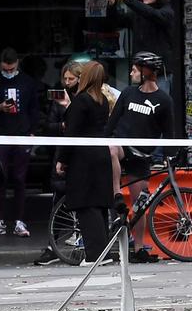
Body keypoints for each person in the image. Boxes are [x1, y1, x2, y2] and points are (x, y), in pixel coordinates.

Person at [105, 52, 174, 263]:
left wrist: (170, 156)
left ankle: (138, 247)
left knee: (140, 203)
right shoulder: (127, 93)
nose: (131, 73)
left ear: (145, 72)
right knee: (111, 148)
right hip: (123, 146)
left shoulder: (163, 99)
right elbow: (112, 122)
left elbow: (168, 132)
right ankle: (117, 194)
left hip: (142, 154)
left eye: (135, 69)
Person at [56, 61, 114, 266]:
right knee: (99, 205)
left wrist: (62, 159)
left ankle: (94, 254)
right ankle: (103, 251)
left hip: (83, 159)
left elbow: (72, 133)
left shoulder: (81, 102)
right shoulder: (103, 101)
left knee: (86, 205)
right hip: (101, 155)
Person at [0, 48, 39, 238]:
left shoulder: (28, 83)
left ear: (17, 64)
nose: (8, 71)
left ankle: (19, 221)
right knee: (0, 178)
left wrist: (32, 132)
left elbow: (34, 109)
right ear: (0, 64)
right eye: (5, 69)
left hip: (22, 134)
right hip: (0, 134)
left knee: (20, 179)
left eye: (11, 68)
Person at [33, 61, 84, 266]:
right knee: (59, 201)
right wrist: (62, 124)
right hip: (62, 155)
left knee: (85, 202)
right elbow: (48, 125)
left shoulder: (86, 99)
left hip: (81, 157)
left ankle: (85, 243)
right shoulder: (58, 99)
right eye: (65, 78)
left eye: (71, 79)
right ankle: (52, 246)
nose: (67, 82)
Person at [107, 0, 177, 94]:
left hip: (158, 73)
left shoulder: (166, 12)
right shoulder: (139, 14)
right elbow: (117, 21)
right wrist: (112, 5)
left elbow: (153, 14)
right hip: (140, 72)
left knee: (158, 105)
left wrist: (128, 0)